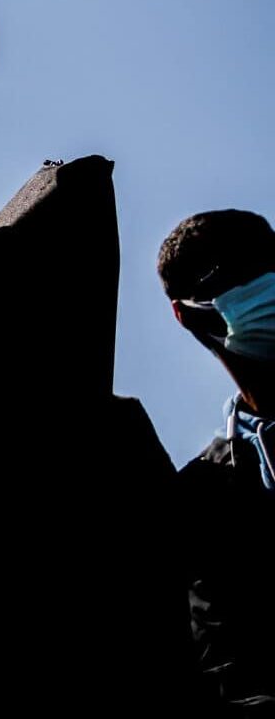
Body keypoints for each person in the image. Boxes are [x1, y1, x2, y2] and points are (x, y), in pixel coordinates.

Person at [160, 209, 275, 708]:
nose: (265, 288)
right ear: (185, 314)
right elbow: (229, 673)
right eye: (233, 281)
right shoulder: (199, 502)